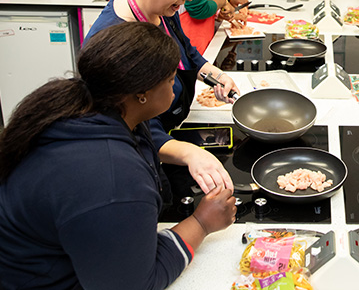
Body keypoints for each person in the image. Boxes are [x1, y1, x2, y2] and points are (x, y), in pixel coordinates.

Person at [0, 22, 237, 290]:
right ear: (142, 94)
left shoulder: (90, 106)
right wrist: (202, 222)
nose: (175, 90)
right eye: (171, 80)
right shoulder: (112, 177)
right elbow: (132, 284)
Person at [85, 0, 238, 194]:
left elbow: (186, 51)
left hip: (169, 125)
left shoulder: (159, 9)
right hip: (144, 148)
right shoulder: (116, 42)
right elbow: (130, 126)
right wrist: (190, 153)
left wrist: (214, 74)